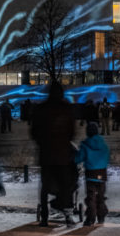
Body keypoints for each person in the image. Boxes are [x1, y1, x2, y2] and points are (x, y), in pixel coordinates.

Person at [31, 82, 77, 226]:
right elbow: (72, 132)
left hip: (46, 154)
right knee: (66, 185)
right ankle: (68, 215)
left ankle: (44, 217)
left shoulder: (41, 109)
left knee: (45, 187)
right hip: (63, 155)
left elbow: (34, 132)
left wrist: (42, 142)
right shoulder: (67, 109)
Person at [74, 121, 110, 226]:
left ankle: (90, 218)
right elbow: (107, 157)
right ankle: (101, 216)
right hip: (102, 173)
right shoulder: (103, 144)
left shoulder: (85, 144)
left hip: (91, 174)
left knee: (91, 197)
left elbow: (78, 158)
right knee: (101, 195)